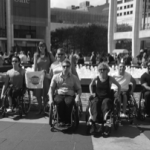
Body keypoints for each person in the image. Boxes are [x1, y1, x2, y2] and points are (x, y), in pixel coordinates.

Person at [88, 62, 121, 134]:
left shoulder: (110, 79)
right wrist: (91, 93)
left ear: (107, 70)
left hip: (107, 97)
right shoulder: (96, 78)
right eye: (100, 69)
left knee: (105, 103)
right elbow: (90, 85)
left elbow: (119, 86)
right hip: (98, 97)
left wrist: (117, 94)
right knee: (94, 102)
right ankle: (94, 121)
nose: (102, 71)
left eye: (104, 69)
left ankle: (104, 121)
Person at [48, 59, 82, 126]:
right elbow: (51, 89)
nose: (65, 68)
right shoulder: (56, 77)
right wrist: (50, 99)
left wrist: (78, 97)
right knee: (59, 102)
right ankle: (61, 121)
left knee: (69, 102)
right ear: (61, 67)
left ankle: (68, 120)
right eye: (64, 66)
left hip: (70, 94)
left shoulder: (74, 78)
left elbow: (79, 89)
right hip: (59, 94)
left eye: (67, 66)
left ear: (70, 67)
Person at [33, 41, 55, 115]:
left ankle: (45, 108)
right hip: (39, 76)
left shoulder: (49, 54)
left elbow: (55, 63)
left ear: (45, 47)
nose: (41, 47)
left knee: (46, 94)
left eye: (43, 45)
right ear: (38, 47)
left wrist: (51, 72)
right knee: (38, 94)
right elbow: (35, 66)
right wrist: (34, 75)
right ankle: (40, 108)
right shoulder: (36, 55)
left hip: (46, 76)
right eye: (40, 46)